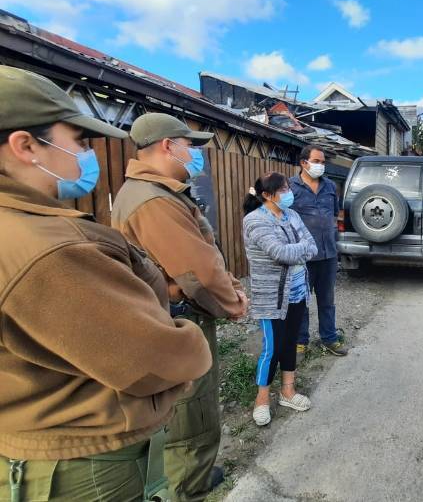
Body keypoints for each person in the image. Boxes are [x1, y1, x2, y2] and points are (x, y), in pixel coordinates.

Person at [0, 65, 211, 501]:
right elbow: (149, 356)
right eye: (76, 140)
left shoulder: (27, 226)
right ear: (25, 146)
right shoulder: (45, 246)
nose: (85, 152)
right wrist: (192, 342)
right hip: (78, 462)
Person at [112, 113, 249, 501]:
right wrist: (232, 303)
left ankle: (195, 476)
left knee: (190, 408)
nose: (195, 153)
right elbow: (199, 271)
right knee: (192, 413)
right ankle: (188, 486)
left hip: (173, 314)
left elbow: (204, 257)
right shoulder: (153, 200)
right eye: (190, 145)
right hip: (178, 318)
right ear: (167, 145)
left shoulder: (156, 192)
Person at [243, 172, 317, 426]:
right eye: (283, 189)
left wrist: (300, 250)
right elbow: (279, 252)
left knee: (290, 343)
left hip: (297, 291)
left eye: (288, 188)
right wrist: (302, 250)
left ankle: (288, 391)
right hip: (271, 297)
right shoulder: (255, 220)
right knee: (271, 348)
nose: (289, 192)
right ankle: (261, 399)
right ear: (267, 195)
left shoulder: (292, 215)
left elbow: (313, 245)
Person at [288, 146, 347, 357]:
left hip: (328, 253)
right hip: (302, 256)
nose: (321, 165)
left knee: (327, 300)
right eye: (317, 161)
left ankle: (329, 338)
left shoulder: (330, 186)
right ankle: (300, 341)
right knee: (300, 300)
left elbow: (333, 214)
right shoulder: (289, 187)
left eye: (323, 162)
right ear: (304, 163)